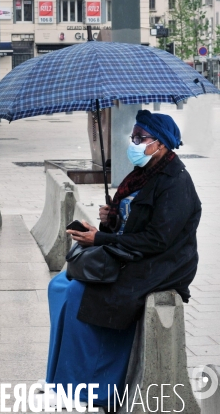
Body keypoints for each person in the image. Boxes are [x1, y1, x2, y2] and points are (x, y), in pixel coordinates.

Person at [37, 110, 201, 410]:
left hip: (160, 265)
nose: (134, 143)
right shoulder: (143, 174)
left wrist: (100, 239)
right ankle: (62, 381)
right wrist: (107, 220)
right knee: (60, 285)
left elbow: (157, 240)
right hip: (133, 254)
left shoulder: (175, 181)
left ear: (161, 144)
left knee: (79, 293)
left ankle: (94, 387)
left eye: (141, 138)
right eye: (133, 137)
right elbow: (130, 224)